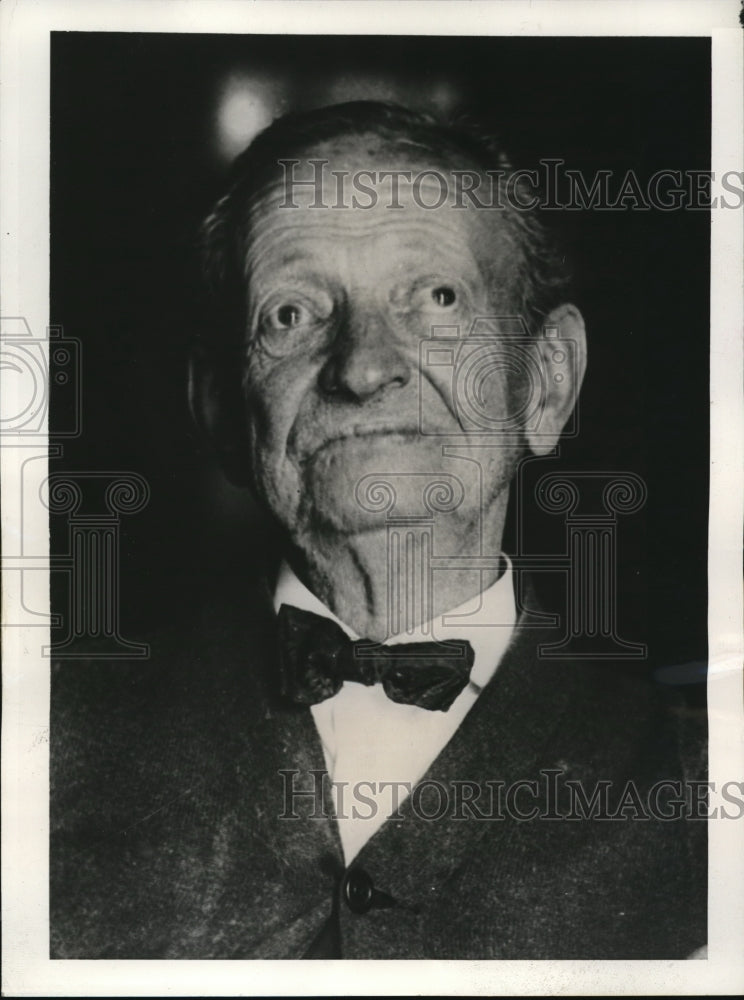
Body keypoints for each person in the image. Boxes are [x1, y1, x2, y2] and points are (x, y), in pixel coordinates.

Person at [50, 101, 706, 959]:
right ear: (219, 409)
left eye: (434, 298)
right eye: (290, 314)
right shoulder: (41, 743)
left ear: (545, 384)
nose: (362, 366)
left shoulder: (701, 781)